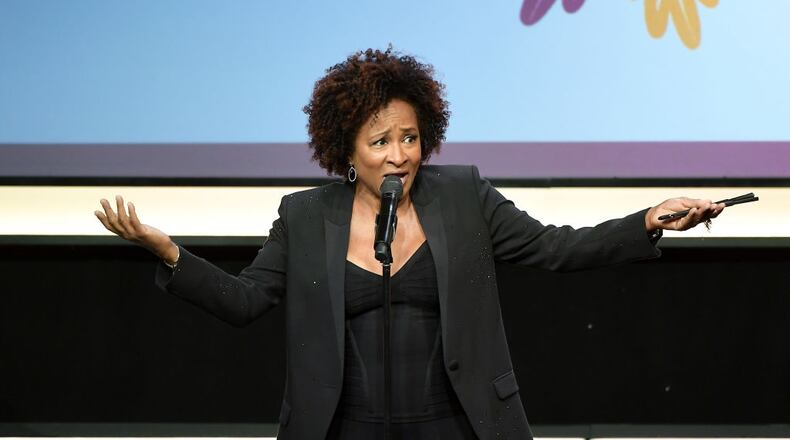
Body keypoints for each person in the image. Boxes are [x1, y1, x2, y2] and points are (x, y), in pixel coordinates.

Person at [95, 47, 724, 440]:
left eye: (410, 137)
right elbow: (245, 301)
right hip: (342, 427)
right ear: (345, 150)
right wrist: (167, 251)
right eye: (379, 142)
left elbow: (554, 248)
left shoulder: (463, 197)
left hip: (460, 423)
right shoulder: (305, 217)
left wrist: (647, 220)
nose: (399, 156)